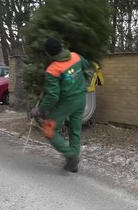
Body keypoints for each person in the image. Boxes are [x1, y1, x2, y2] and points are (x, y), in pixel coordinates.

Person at [29, 36, 91, 173]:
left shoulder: (52, 70)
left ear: (48, 53)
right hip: (81, 99)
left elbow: (53, 96)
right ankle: (73, 163)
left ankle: (70, 156)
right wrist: (84, 84)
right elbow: (88, 69)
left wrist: (39, 110)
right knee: (75, 130)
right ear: (61, 48)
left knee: (48, 129)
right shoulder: (76, 56)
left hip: (66, 103)